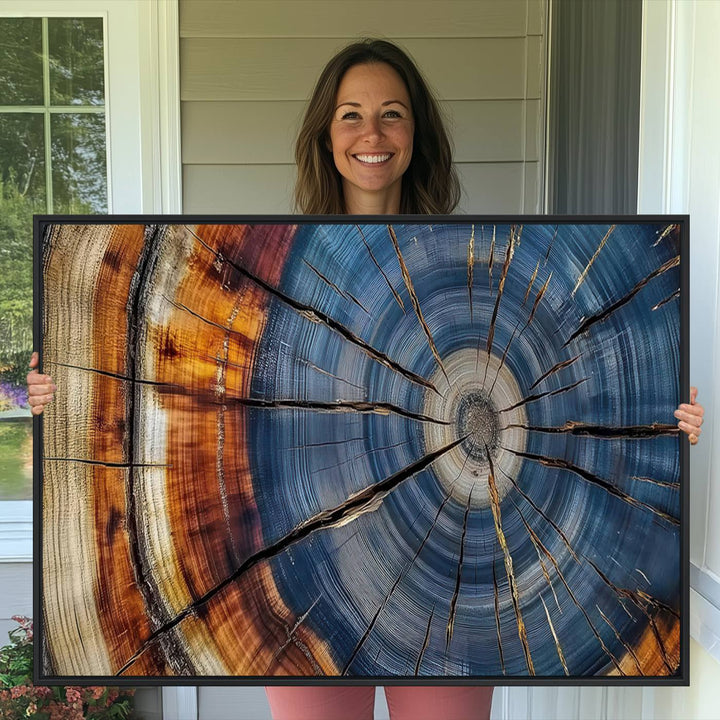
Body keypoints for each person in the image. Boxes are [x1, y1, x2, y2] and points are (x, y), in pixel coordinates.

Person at [28, 38, 704, 720]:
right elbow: (179, 377)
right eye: (351, 114)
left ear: (417, 134)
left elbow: (572, 380)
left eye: (392, 114)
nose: (371, 134)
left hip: (453, 582)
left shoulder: (481, 263)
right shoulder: (261, 272)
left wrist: (661, 423)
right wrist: (62, 393)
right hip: (303, 578)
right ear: (326, 135)